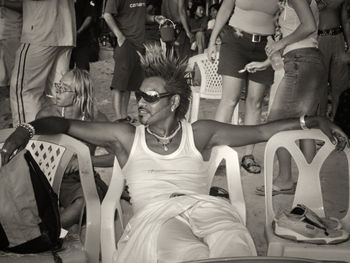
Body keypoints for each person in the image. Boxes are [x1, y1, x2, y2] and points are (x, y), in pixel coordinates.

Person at [1, 44, 348, 262]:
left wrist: (313, 118)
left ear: (174, 103)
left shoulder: (199, 133)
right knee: (184, 252)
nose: (141, 101)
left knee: (232, 242)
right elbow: (63, 126)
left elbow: (260, 131)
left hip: (206, 208)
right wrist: (27, 129)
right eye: (141, 95)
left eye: (151, 97)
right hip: (156, 217)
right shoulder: (125, 135)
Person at [244, 0, 326, 195]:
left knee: (276, 125)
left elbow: (308, 26)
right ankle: (309, 182)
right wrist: (265, 63)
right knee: (305, 125)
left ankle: (284, 179)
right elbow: (301, 34)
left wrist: (280, 43)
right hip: (309, 61)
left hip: (301, 61)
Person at [207, 0, 279, 174]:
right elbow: (225, 8)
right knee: (230, 100)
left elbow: (285, 18)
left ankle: (248, 155)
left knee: (255, 102)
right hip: (235, 42)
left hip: (265, 46)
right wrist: (212, 40)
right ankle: (215, 153)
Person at [36, 68, 112, 229]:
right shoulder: (47, 114)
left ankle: (47, 233)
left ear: (80, 94)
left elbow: (119, 156)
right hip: (48, 175)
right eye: (58, 86)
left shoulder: (96, 120)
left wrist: (87, 161)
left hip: (80, 177)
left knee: (86, 202)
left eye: (63, 89)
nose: (57, 92)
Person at [7, 0, 76, 126]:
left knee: (24, 89)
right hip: (65, 30)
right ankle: (56, 137)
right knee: (57, 93)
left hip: (40, 30)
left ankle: (27, 139)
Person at [103, 0, 164, 122]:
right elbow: (107, 15)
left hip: (139, 45)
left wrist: (154, 18)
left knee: (130, 84)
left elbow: (140, 16)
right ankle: (119, 119)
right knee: (119, 83)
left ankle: (124, 116)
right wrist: (119, 36)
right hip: (126, 43)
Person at [317, 0, 350, 120]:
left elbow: (345, 19)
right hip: (317, 38)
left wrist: (349, 45)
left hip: (338, 38)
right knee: (319, 85)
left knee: (340, 84)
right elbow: (313, 9)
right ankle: (320, 121)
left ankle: (338, 121)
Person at [70, 0, 98, 71]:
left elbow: (89, 16)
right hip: (65, 40)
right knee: (65, 69)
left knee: (83, 69)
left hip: (81, 40)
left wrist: (79, 31)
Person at [0, 1, 22, 91]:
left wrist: (2, 2)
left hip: (13, 31)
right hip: (4, 29)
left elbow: (28, 6)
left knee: (14, 72)